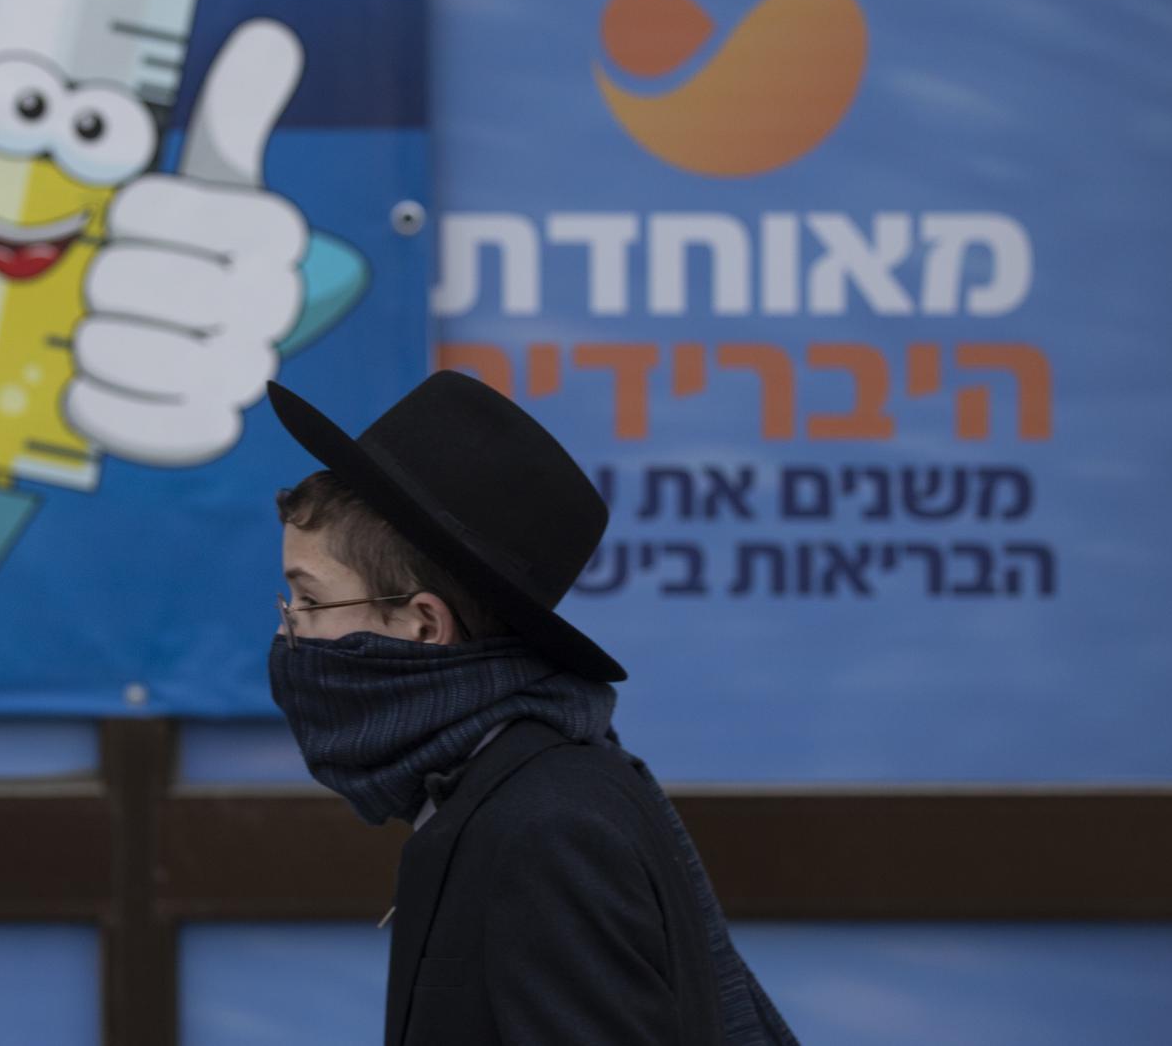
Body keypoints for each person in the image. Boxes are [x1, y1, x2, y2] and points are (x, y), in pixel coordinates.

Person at [264, 370, 800, 1046]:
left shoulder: (547, 827)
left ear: (424, 626)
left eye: (310, 601)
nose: (289, 631)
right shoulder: (496, 788)